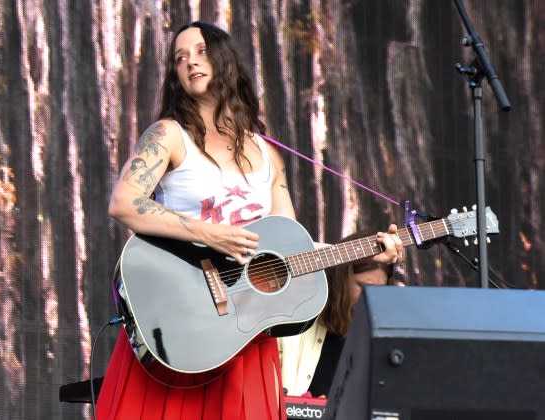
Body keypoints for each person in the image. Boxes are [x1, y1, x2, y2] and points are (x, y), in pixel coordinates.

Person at [97, 21, 403, 420]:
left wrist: (366, 256)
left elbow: (293, 250)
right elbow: (124, 203)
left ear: (226, 60)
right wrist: (212, 234)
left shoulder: (266, 154)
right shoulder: (169, 136)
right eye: (179, 58)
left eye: (201, 51)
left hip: (242, 332)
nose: (190, 61)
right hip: (178, 318)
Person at [279, 234, 399, 399]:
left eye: (378, 291)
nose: (370, 298)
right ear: (340, 279)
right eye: (363, 286)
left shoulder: (383, 343)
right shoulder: (293, 326)